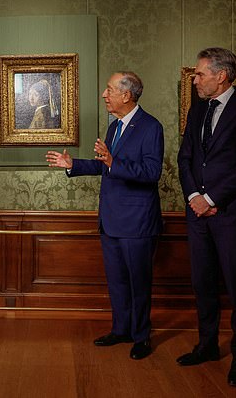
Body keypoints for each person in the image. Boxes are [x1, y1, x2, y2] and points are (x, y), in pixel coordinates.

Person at [46, 71, 164, 360]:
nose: (104, 95)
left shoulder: (151, 127)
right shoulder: (114, 127)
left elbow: (151, 173)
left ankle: (141, 336)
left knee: (139, 282)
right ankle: (121, 329)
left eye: (109, 89)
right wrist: (72, 164)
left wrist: (114, 161)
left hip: (137, 222)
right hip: (110, 220)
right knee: (117, 281)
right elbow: (105, 166)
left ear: (127, 94)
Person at [177, 47, 236, 387]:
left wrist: (213, 198)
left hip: (231, 213)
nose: (195, 79)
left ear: (222, 76)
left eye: (200, 74)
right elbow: (184, 157)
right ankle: (207, 346)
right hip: (197, 212)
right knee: (203, 282)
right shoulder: (198, 108)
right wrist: (194, 197)